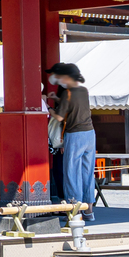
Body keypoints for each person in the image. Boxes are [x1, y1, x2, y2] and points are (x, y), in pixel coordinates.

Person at [50, 62, 94, 209]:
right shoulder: (83, 90)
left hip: (75, 134)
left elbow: (60, 118)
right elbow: (74, 105)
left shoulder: (67, 93)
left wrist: (49, 108)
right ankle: (89, 209)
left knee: (71, 172)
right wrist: (58, 100)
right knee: (87, 171)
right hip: (90, 133)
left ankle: (75, 209)